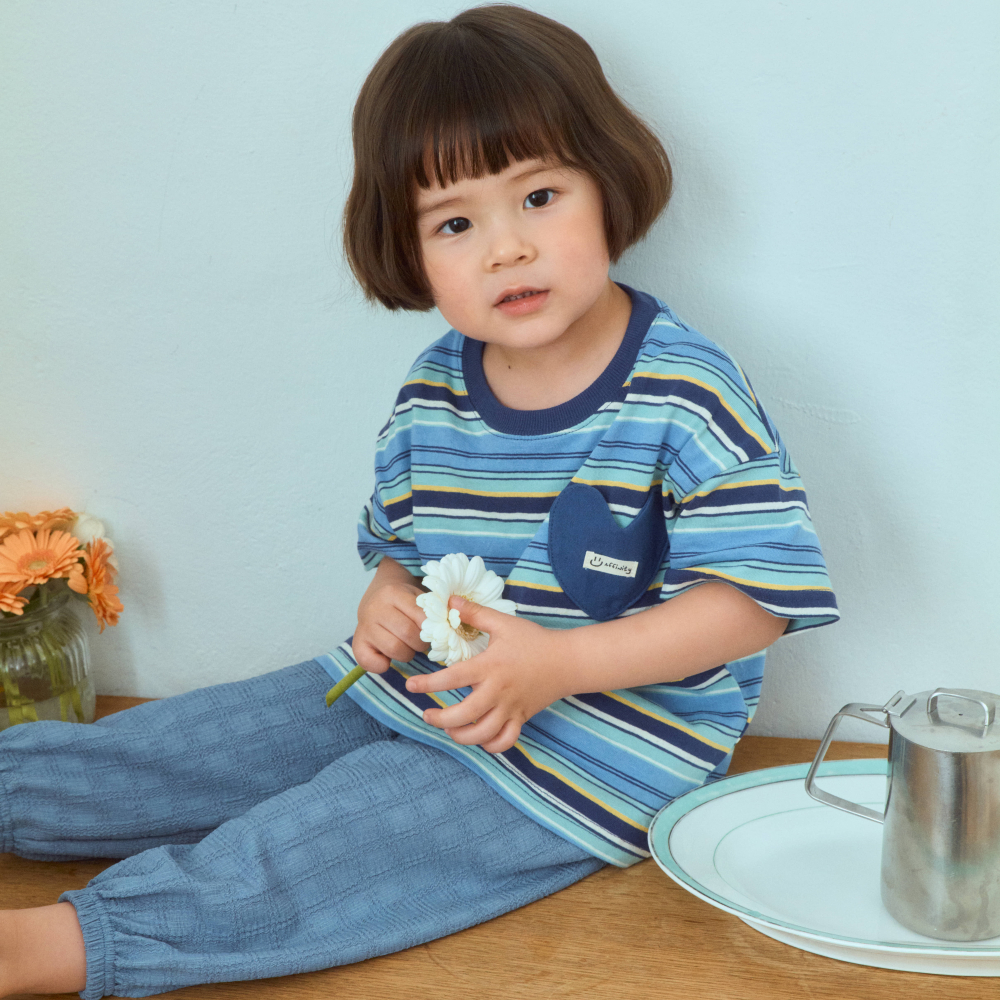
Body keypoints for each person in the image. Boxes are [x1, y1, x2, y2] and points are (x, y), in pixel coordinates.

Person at [0, 6, 838, 998]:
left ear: (606, 185)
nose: (505, 249)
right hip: (414, 688)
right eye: (455, 222)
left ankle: (57, 948)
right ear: (408, 247)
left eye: (538, 197)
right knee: (179, 747)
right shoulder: (436, 387)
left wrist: (558, 665)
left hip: (595, 753)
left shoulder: (684, 392)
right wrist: (385, 599)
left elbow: (753, 602)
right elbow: (398, 547)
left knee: (319, 847)